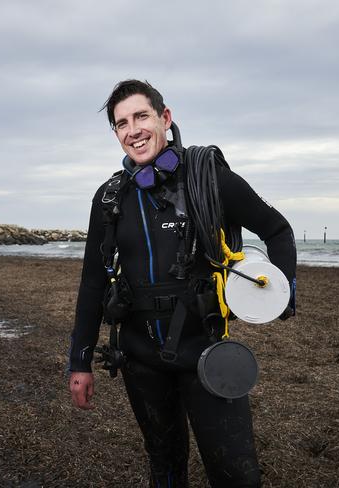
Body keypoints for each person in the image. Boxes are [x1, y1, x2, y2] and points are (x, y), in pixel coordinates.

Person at [68, 79, 296, 487]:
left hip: (207, 356)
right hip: (140, 359)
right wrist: (79, 363)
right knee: (165, 467)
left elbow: (277, 230)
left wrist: (283, 296)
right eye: (121, 124)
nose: (132, 130)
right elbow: (91, 283)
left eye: (141, 116)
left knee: (236, 475)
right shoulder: (110, 198)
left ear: (165, 118)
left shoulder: (209, 179)